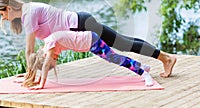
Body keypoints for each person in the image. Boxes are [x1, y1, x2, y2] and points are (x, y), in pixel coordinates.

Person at [0, 0, 176, 78]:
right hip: (80, 22)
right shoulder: (28, 10)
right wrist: (31, 73)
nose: (4, 18)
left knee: (122, 43)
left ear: (8, 8)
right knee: (121, 43)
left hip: (80, 24)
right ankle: (158, 60)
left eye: (2, 14)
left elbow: (29, 51)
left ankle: (165, 58)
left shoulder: (29, 14)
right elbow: (45, 51)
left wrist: (29, 74)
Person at [22, 31, 154, 88]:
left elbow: (45, 66)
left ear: (45, 58)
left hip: (92, 42)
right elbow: (44, 65)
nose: (55, 60)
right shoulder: (48, 46)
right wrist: (38, 80)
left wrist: (41, 85)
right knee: (114, 57)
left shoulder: (49, 46)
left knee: (114, 58)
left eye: (53, 61)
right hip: (90, 41)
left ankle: (143, 74)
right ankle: (142, 66)